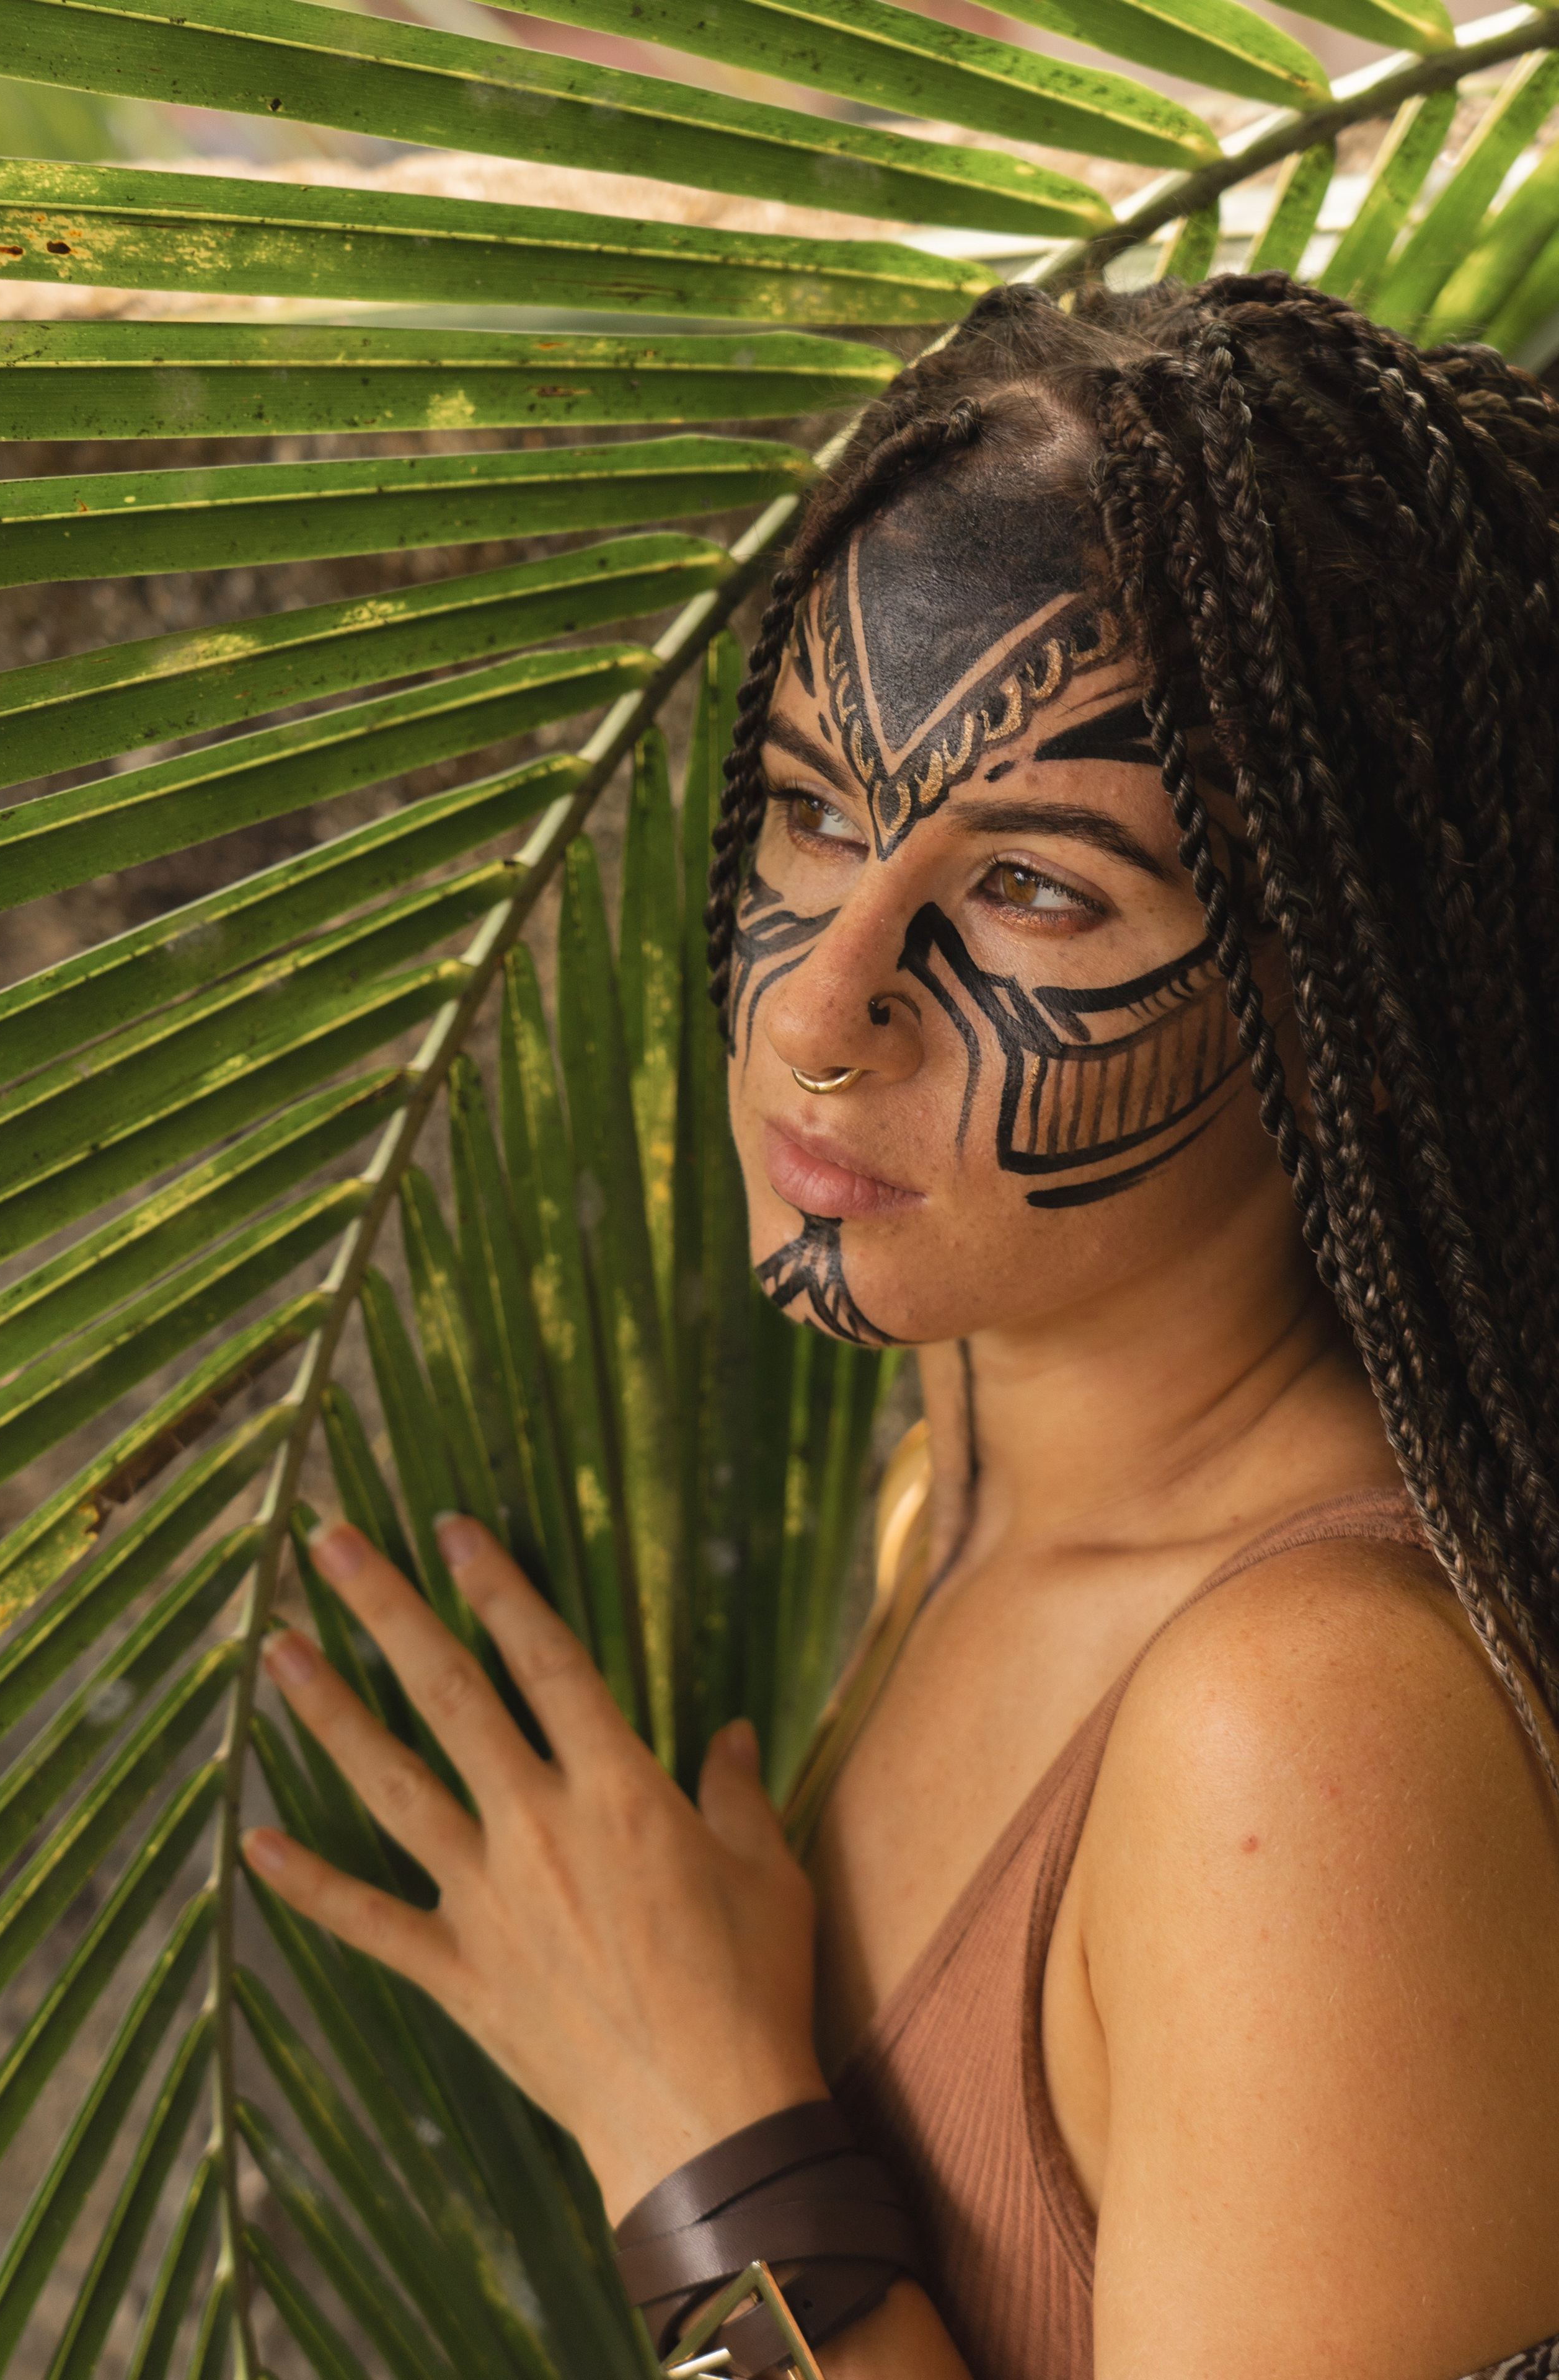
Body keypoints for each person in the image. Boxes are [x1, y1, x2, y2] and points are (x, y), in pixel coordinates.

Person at [243, 274, 1559, 2378]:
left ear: (1354, 1020)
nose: (815, 1003)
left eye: (1037, 890)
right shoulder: (959, 1425)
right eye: (814, 808)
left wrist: (703, 2136)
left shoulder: (1304, 1747)